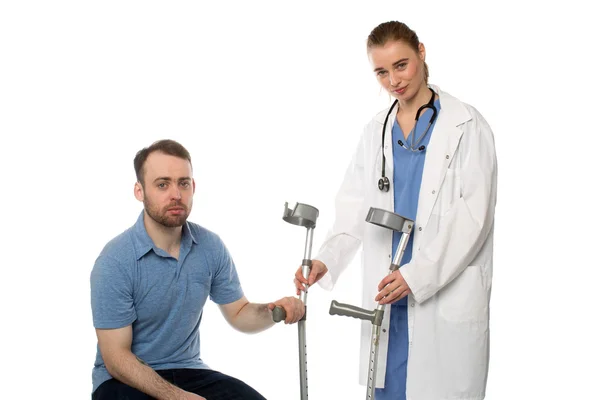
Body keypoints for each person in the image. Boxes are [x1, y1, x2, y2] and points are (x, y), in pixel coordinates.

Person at [294, 21, 498, 400]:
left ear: (421, 52)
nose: (394, 81)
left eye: (401, 65)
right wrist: (327, 259)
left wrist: (417, 275)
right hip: (390, 295)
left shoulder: (467, 126)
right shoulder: (376, 131)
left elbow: (474, 219)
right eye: (382, 72)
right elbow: (353, 206)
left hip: (439, 290)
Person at [90, 139, 305, 400]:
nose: (176, 194)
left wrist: (274, 311)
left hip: (187, 370)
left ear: (193, 187)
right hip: (122, 380)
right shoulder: (115, 261)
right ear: (139, 191)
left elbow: (238, 313)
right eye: (162, 184)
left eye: (183, 183)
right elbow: (117, 359)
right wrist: (178, 397)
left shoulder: (210, 247)